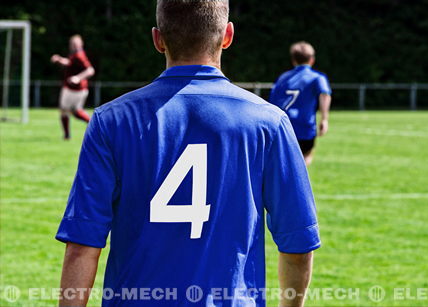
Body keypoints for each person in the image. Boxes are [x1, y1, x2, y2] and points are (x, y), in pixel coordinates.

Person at [56, 1, 320, 306]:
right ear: (228, 36)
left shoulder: (111, 121)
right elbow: (298, 244)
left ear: (158, 39)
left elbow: (82, 245)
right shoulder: (269, 122)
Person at [270, 41, 332, 166]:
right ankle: (298, 182)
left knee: (283, 161)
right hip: (305, 127)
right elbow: (325, 94)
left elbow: (272, 101)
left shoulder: (283, 78)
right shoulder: (317, 77)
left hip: (282, 126)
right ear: (312, 60)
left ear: (293, 60)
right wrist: (324, 119)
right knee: (306, 156)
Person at [51, 34, 95, 140]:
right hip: (75, 88)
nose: (74, 46)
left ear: (81, 44)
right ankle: (93, 125)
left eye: (76, 44)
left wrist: (78, 78)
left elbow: (90, 70)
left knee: (68, 111)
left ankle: (68, 134)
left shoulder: (80, 55)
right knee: (73, 111)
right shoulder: (75, 55)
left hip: (75, 89)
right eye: (72, 44)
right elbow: (70, 63)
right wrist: (60, 59)